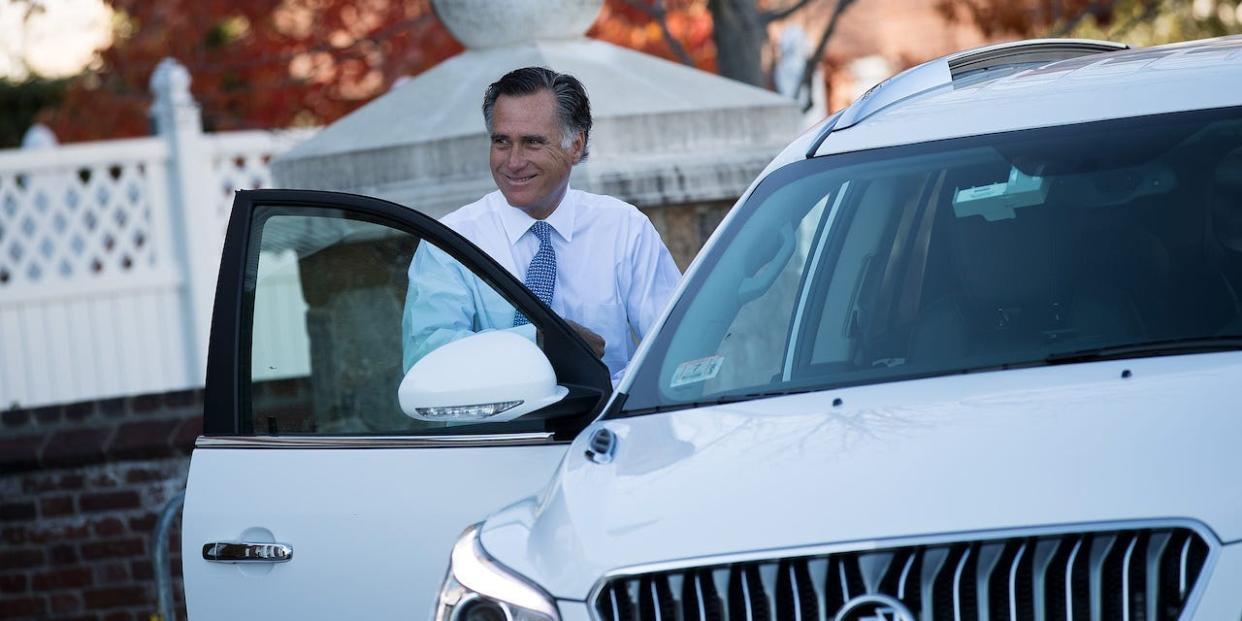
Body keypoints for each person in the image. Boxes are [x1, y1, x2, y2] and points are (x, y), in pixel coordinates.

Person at [402, 66, 681, 382]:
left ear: (575, 146)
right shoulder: (450, 241)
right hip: (495, 430)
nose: (514, 162)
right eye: (501, 142)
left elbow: (677, 347)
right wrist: (541, 344)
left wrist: (614, 395)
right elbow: (426, 360)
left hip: (605, 421)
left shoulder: (624, 229)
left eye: (532, 142)